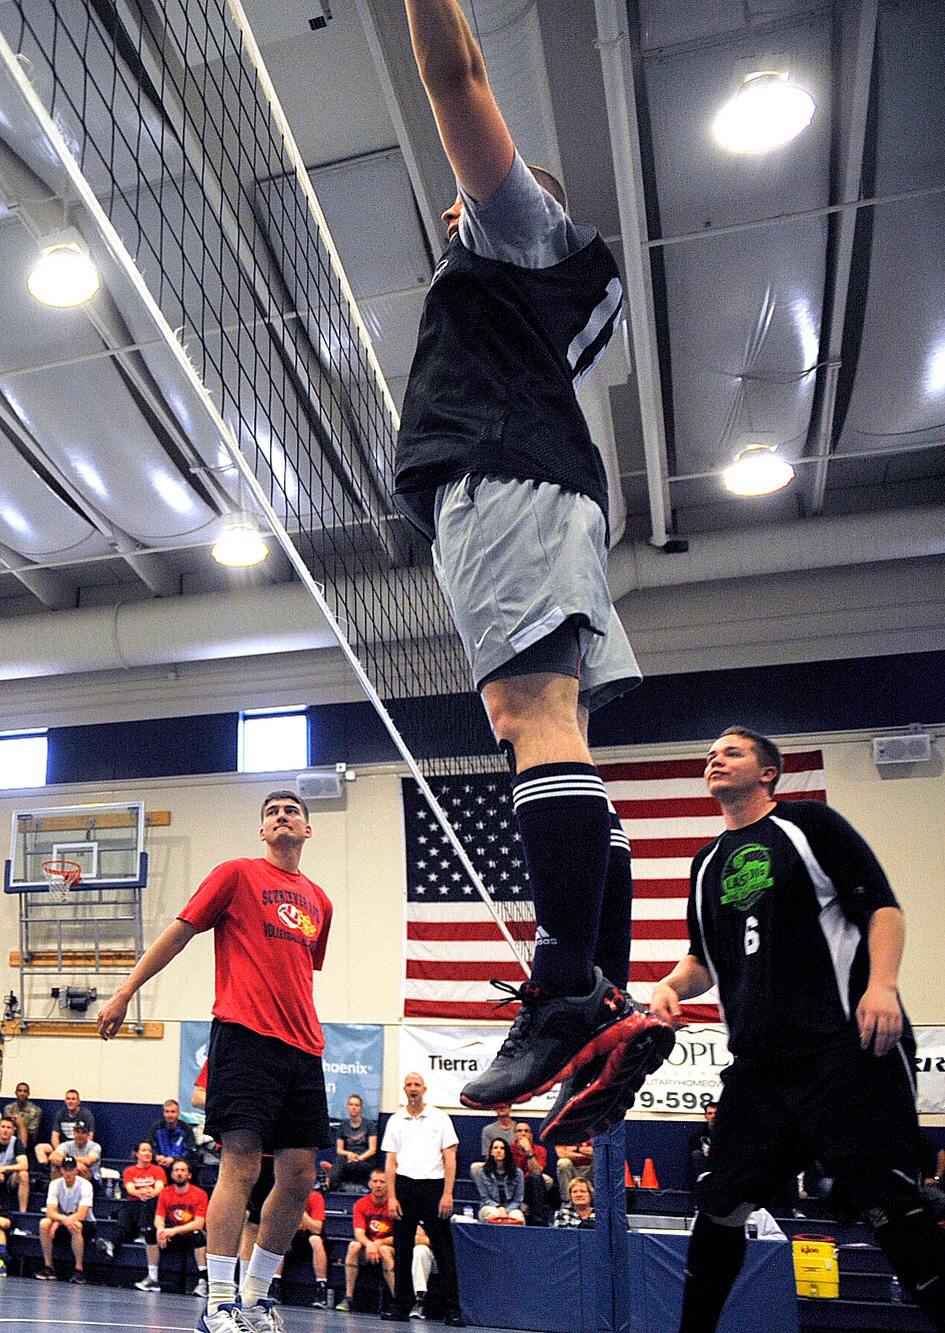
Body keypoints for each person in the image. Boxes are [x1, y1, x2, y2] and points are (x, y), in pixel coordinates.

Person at [393, 0, 674, 1137]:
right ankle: (602, 985)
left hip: (505, 481)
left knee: (529, 710)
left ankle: (563, 980)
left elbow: (455, 77)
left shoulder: (516, 231)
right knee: (546, 726)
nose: (453, 206)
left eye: (470, 196)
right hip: (534, 487)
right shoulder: (536, 296)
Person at [656, 727, 945, 1332]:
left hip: (844, 1049)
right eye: (709, 752)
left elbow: (882, 907)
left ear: (768, 773)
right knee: (721, 1204)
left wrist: (882, 985)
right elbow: (703, 959)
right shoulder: (706, 862)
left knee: (886, 1200)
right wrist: (668, 987)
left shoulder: (809, 825)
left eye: (731, 752)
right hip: (760, 1071)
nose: (714, 758)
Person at [100, 789, 332, 1333]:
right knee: (242, 1166)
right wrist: (125, 991)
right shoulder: (236, 875)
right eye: (272, 812)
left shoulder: (320, 901)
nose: (281, 817)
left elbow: (302, 971)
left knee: (299, 1176)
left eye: (291, 811)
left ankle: (254, 1297)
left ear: (307, 830)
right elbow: (180, 933)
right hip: (244, 1036)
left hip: (304, 1049)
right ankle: (220, 1300)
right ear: (261, 831)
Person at [382, 1073, 463, 1324]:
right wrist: (392, 1197)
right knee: (403, 1250)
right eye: (409, 1085)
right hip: (405, 1187)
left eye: (417, 1085)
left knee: (443, 1250)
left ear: (424, 1089)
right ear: (404, 1090)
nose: (413, 1089)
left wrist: (447, 1194)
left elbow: (450, 1158)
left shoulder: (440, 1118)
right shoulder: (396, 1120)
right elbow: (390, 1162)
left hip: (433, 1187)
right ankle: (401, 1307)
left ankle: (452, 1311)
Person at [338, 1170, 398, 1313]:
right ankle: (348, 1297)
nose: (378, 1185)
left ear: (388, 1185)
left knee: (384, 1250)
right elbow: (359, 1233)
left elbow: (400, 1237)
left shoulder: (394, 1205)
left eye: (382, 1182)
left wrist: (379, 1243)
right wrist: (370, 1244)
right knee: (353, 1246)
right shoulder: (361, 1204)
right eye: (375, 1181)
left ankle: (397, 1299)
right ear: (370, 1184)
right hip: (368, 1250)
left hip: (388, 1248)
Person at [152, 1157, 211, 1296]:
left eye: (183, 1170)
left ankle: (203, 1282)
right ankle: (152, 1277)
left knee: (197, 1235)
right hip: (174, 1236)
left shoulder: (199, 1194)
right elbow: (159, 1217)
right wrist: (161, 1230)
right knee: (151, 1233)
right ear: (172, 1174)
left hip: (191, 1234)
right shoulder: (166, 1192)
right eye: (176, 1170)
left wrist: (173, 1230)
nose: (179, 1173)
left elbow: (199, 1223)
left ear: (189, 1175)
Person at [112, 1142, 168, 1282]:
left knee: (149, 1204)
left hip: (151, 1202)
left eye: (149, 1151)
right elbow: (130, 1188)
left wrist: (150, 1193)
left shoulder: (158, 1170)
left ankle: (143, 1232)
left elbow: (160, 1187)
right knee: (127, 1209)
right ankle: (113, 1242)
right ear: (136, 1154)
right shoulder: (130, 1171)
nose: (147, 1153)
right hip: (134, 1203)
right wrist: (139, 1193)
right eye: (144, 1151)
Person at [37, 1154, 95, 1283]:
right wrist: (61, 1220)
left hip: (85, 1224)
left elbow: (82, 1213)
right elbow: (50, 1212)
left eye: (71, 1169)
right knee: (44, 1223)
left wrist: (64, 1221)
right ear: (62, 1170)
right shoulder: (55, 1184)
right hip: (64, 1222)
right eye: (65, 1169)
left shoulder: (85, 1185)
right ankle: (48, 1266)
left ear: (76, 1170)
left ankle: (79, 1269)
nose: (68, 1173)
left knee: (76, 1225)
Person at [276, 1186, 331, 1308]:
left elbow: (316, 1228)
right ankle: (275, 1286)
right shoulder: (282, 1196)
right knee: (278, 1237)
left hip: (309, 1242)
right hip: (290, 1240)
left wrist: (301, 1210)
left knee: (316, 1240)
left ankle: (321, 1289)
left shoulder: (315, 1197)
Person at [331, 1094, 379, 1189]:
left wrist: (358, 1158)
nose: (353, 1108)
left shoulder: (369, 1125)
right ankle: (330, 1184)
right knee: (340, 1160)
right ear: (348, 1107)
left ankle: (329, 1178)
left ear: (361, 1108)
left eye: (356, 1105)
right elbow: (339, 1150)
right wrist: (348, 1154)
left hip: (365, 1160)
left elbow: (372, 1149)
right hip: (348, 1159)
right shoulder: (343, 1126)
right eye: (351, 1105)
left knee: (347, 1166)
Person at [474, 1137, 525, 1222]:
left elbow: (518, 1199)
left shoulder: (518, 1173)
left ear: (507, 1152)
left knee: (517, 1218)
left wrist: (506, 1211)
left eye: (502, 1148)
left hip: (512, 1208)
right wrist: (499, 1208)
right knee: (493, 1214)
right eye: (495, 1148)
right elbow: (485, 1198)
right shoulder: (482, 1173)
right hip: (490, 1206)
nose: (498, 1150)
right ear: (491, 1152)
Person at [41, 1090, 95, 1166]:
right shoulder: (60, 1114)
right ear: (65, 1101)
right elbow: (55, 1136)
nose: (70, 1101)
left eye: (73, 1099)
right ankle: (44, 1174)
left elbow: (90, 1137)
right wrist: (60, 1151)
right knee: (40, 1148)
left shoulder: (86, 1115)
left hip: (79, 1149)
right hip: (63, 1148)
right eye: (68, 1099)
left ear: (78, 1101)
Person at [146, 1099, 199, 1167]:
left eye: (173, 1112)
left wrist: (174, 1159)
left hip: (180, 1167)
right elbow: (150, 1147)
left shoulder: (186, 1129)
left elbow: (191, 1151)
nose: (170, 1115)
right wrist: (156, 1157)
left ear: (178, 1113)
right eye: (167, 1112)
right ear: (164, 1113)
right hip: (159, 1165)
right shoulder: (156, 1128)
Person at [687, 1101, 717, 1196]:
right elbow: (694, 1150)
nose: (713, 1116)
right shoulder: (698, 1135)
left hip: (721, 1164)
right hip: (705, 1165)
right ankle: (700, 1190)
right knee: (696, 1154)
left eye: (716, 1113)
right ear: (705, 1116)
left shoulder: (729, 1134)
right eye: (710, 1113)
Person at [4, 1084, 44, 1150]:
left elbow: (32, 1131)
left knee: (21, 1122)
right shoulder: (9, 1108)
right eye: (20, 1091)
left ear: (28, 1094)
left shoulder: (36, 1110)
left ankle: (21, 1153)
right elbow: (6, 1125)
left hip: (28, 1139)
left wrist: (20, 1123)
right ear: (16, 1093)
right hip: (10, 1135)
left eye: (25, 1091)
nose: (22, 1094)